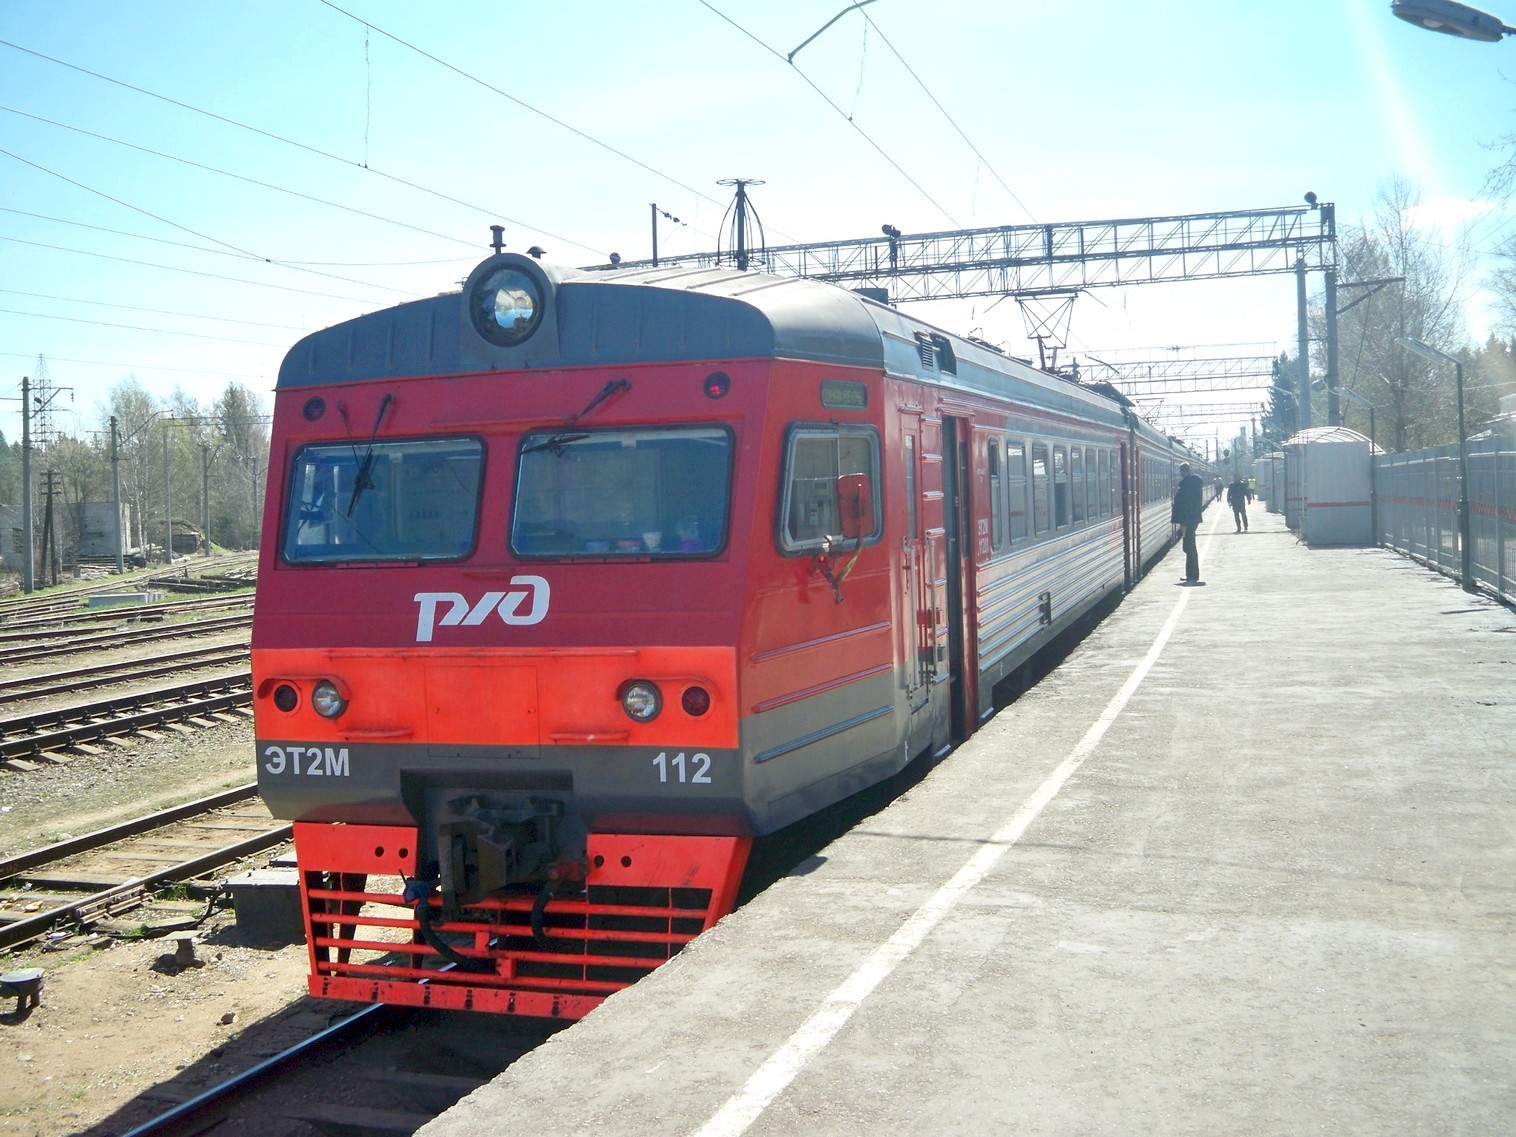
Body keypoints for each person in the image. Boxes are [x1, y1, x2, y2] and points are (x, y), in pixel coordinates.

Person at [1171, 462, 1204, 584]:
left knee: (1189, 547)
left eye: (1182, 471)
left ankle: (1192, 575)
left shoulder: (1188, 484)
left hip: (1188, 521)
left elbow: (1187, 505)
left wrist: (1184, 522)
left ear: (1184, 471)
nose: (1181, 474)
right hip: (1191, 520)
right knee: (1189, 547)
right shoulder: (1191, 483)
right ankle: (1191, 574)